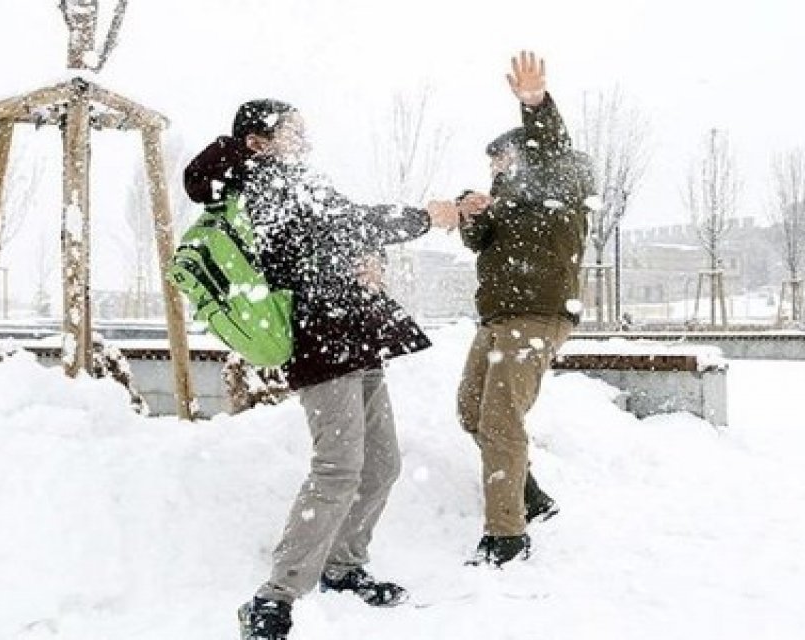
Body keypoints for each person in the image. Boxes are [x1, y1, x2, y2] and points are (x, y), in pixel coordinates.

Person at [183, 99, 461, 640]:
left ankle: (343, 566)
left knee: (382, 463)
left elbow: (348, 228)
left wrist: (371, 258)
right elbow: (345, 223)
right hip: (321, 340)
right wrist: (425, 218)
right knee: (338, 467)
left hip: (356, 334)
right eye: (294, 132)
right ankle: (273, 598)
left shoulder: (300, 181)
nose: (305, 140)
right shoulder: (259, 182)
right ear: (259, 141)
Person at [455, 51, 594, 567]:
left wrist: (535, 104)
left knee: (499, 419)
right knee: (471, 409)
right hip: (498, 317)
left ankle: (507, 535)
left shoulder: (561, 182)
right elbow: (478, 242)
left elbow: (551, 146)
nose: (495, 169)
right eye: (491, 164)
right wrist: (472, 213)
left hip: (537, 315)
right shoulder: (504, 202)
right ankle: (529, 494)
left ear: (526, 156)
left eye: (502, 160)